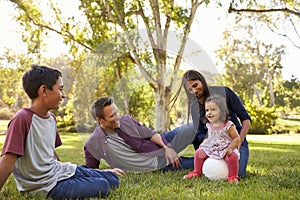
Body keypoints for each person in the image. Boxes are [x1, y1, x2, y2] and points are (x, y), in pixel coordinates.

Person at [0, 65, 123, 199]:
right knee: (103, 185)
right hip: (44, 186)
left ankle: (94, 173)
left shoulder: (51, 119)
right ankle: (90, 176)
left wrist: (70, 171)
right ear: (44, 91)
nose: (63, 95)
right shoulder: (22, 118)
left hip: (58, 172)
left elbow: (50, 151)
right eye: (60, 89)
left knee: (113, 179)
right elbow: (7, 161)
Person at [84, 96, 196, 172]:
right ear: (100, 120)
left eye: (117, 112)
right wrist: (108, 171)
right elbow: (92, 171)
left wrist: (167, 147)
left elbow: (149, 134)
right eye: (112, 116)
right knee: (198, 164)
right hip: (158, 164)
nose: (118, 117)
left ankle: (209, 148)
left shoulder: (126, 120)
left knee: (194, 127)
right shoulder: (92, 144)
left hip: (159, 143)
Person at [179, 69, 251, 177]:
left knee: (239, 172)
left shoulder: (225, 92)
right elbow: (200, 133)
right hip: (213, 142)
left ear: (202, 80)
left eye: (195, 85)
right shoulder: (195, 106)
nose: (194, 91)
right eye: (190, 90)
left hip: (234, 140)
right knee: (201, 157)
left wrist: (238, 142)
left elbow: (246, 119)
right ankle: (180, 163)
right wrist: (211, 149)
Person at [183, 95, 241, 183]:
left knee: (232, 157)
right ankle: (197, 172)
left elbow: (236, 138)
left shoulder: (228, 125)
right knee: (199, 153)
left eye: (213, 110)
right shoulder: (209, 125)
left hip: (225, 147)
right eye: (207, 110)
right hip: (213, 146)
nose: (209, 113)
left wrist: (230, 148)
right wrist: (205, 143)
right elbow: (211, 137)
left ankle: (233, 177)